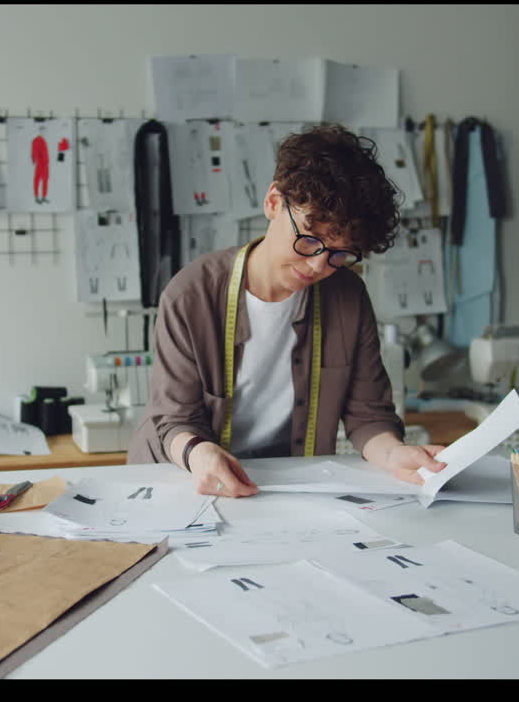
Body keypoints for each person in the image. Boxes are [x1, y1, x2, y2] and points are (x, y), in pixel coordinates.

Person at [127, 124, 447, 496]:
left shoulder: (346, 296)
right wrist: (200, 455)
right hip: (178, 476)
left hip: (281, 483)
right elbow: (174, 418)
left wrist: (395, 454)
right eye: (310, 241)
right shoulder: (191, 293)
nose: (318, 266)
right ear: (274, 203)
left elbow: (368, 415)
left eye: (339, 254)